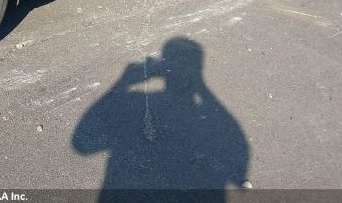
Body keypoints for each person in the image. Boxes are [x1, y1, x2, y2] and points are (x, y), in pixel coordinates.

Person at [72, 38, 249, 202]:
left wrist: (123, 82)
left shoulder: (141, 99)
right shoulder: (221, 123)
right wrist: (200, 85)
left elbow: (81, 144)